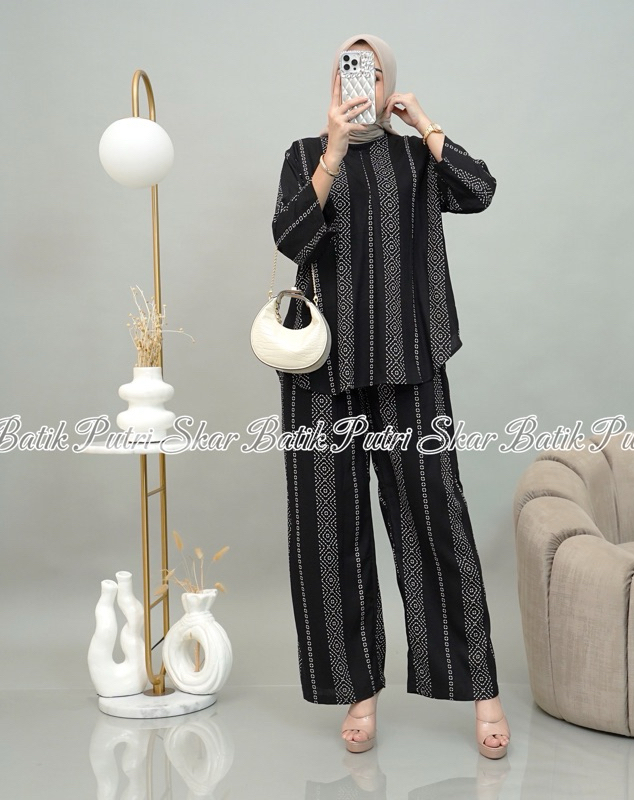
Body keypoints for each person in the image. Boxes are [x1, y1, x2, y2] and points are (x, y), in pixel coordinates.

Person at [270, 33, 510, 759]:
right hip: (322, 375)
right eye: (350, 72)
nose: (361, 84)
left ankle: (481, 690)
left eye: (373, 73)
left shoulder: (416, 157)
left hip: (410, 363)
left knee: (438, 520)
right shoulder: (304, 154)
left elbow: (479, 190)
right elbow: (290, 237)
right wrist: (333, 152)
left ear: (388, 83)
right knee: (329, 531)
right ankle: (359, 693)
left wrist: (425, 123)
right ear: (333, 83)